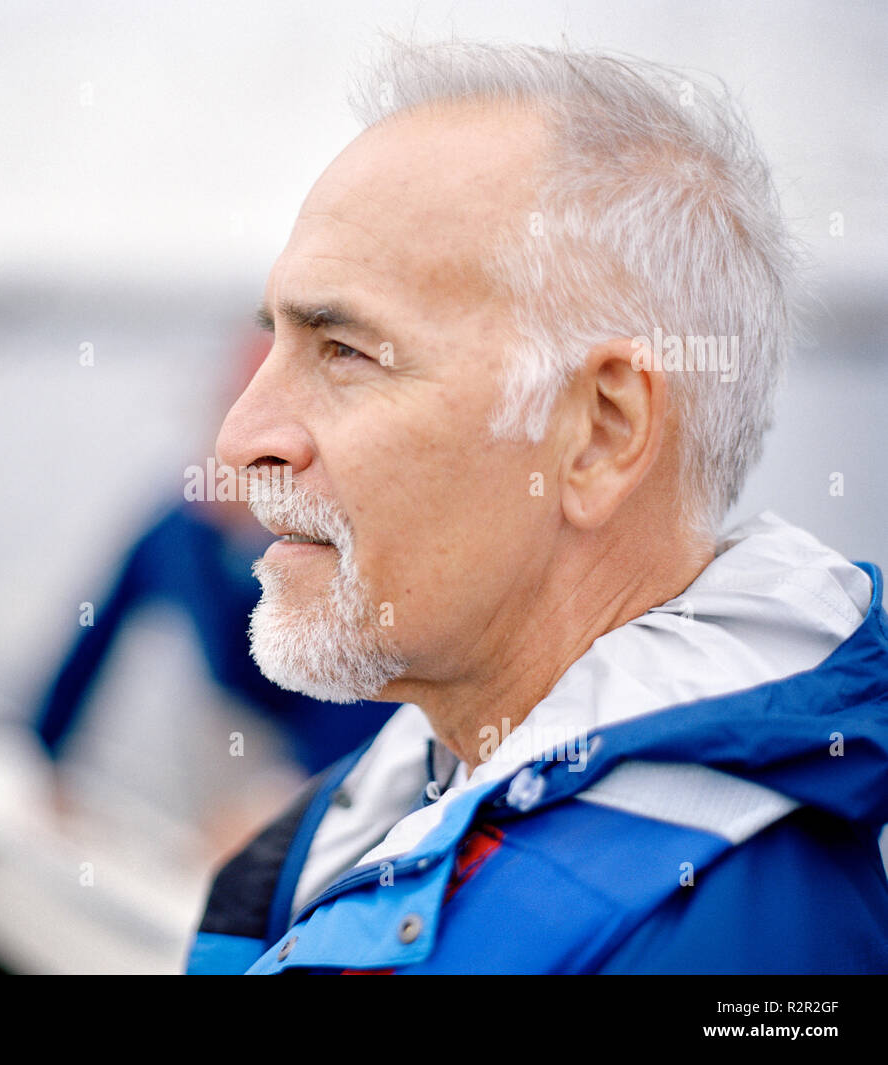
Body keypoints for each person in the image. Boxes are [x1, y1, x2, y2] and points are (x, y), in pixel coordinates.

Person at [185, 36, 888, 974]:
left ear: (599, 432)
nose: (241, 438)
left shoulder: (729, 942)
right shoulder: (362, 821)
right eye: (273, 341)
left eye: (343, 350)